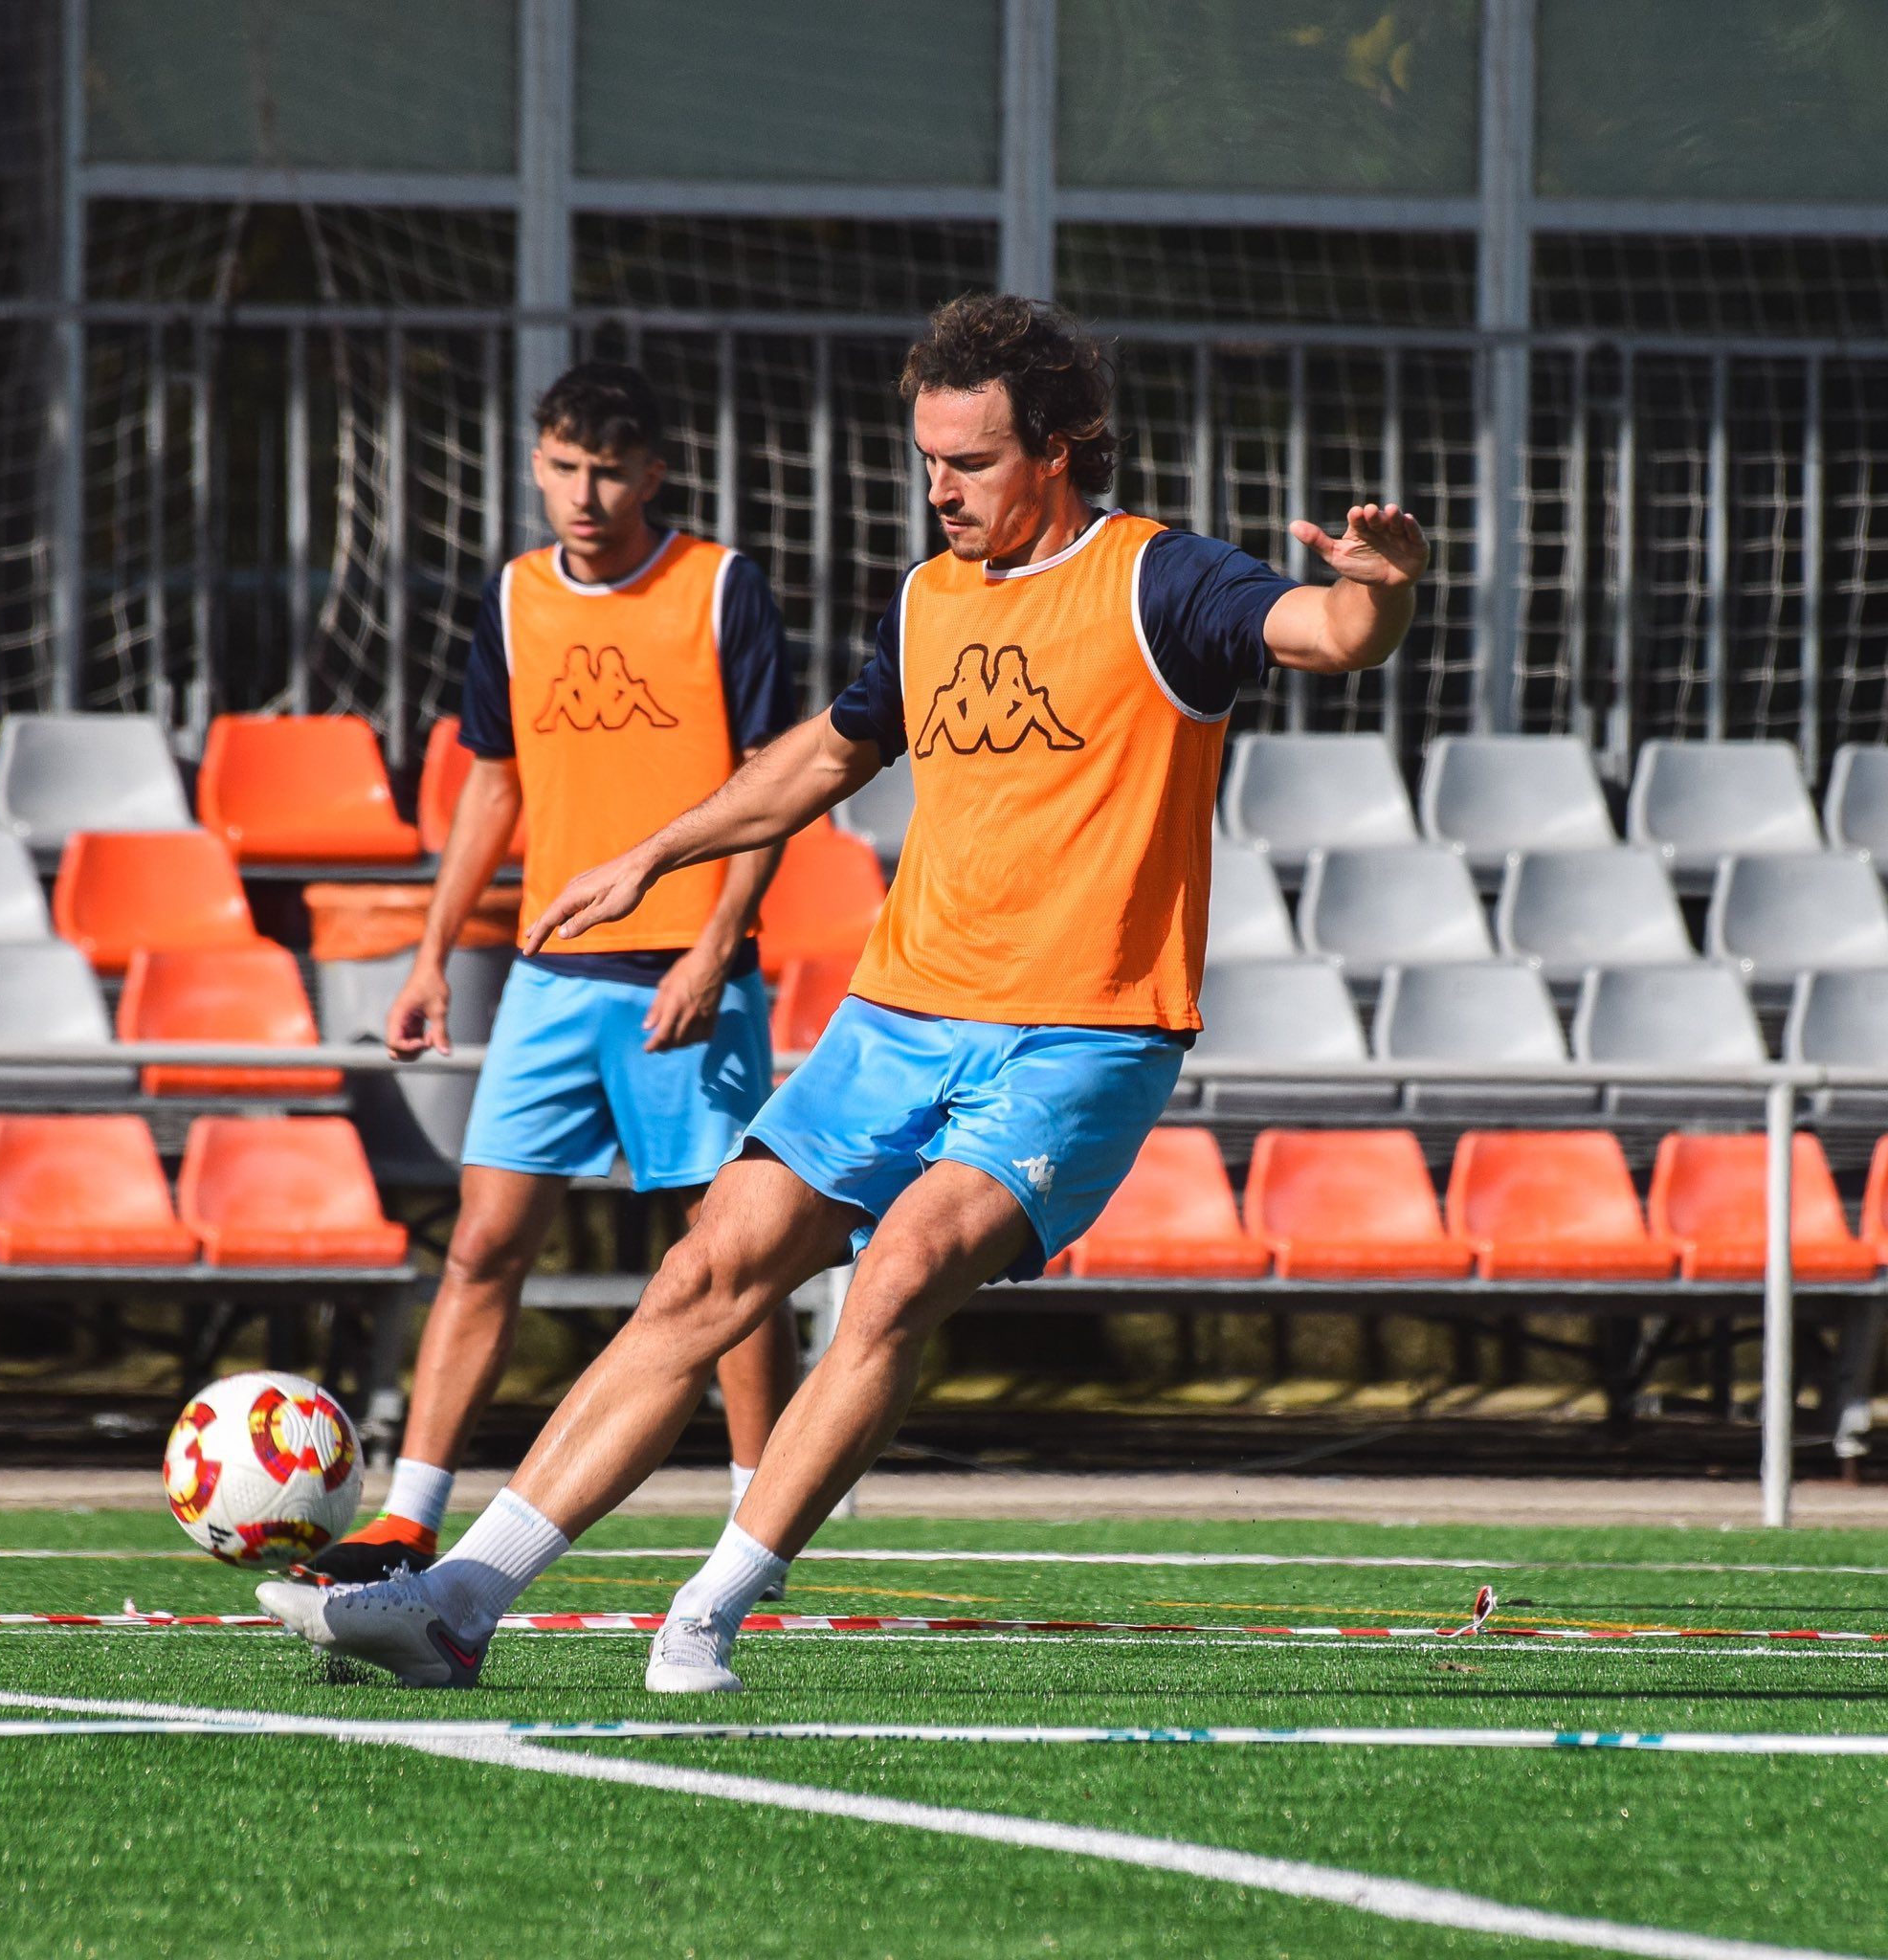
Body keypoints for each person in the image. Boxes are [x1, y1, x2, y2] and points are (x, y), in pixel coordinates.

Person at [261, 294, 1427, 1683]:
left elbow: (1331, 635)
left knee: (901, 1274)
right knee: (705, 1269)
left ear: (1059, 449)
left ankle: (706, 1614)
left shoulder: (1158, 580)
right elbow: (825, 752)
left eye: (974, 461)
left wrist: (1384, 585)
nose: (942, 488)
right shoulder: (930, 599)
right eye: (928, 458)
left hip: (1083, 1035)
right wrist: (654, 853)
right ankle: (459, 1602)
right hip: (897, 1016)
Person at [304, 361, 799, 1585]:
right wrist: (431, 953)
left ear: (654, 473)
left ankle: (759, 1522)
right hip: (551, 972)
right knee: (481, 1243)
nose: (587, 492)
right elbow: (492, 783)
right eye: (567, 466)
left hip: (691, 974)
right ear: (536, 463)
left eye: (613, 469)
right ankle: (408, 1513)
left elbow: (771, 786)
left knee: (727, 1260)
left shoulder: (720, 585)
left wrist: (714, 945)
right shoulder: (516, 598)